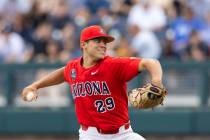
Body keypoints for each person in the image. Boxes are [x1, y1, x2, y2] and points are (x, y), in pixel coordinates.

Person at [21, 25, 164, 140]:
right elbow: (62, 74)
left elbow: (150, 62)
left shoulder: (113, 65)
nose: (103, 45)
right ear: (84, 44)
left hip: (123, 134)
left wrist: (156, 81)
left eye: (105, 42)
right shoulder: (74, 68)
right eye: (98, 41)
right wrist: (35, 86)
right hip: (90, 135)